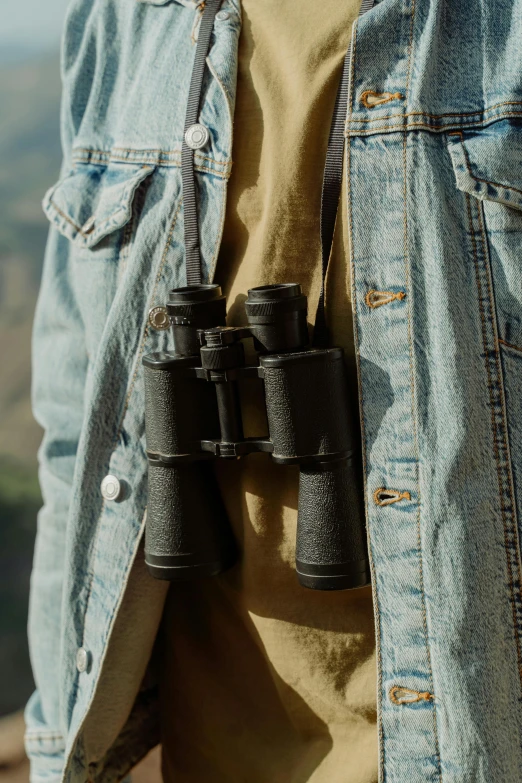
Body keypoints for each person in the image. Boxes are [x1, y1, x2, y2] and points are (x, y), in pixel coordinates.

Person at [26, 0, 522, 781]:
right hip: (215, 741)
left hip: (472, 735)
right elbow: (73, 442)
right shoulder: (125, 22)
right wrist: (59, 740)